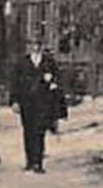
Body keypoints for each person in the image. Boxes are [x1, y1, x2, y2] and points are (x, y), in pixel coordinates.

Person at [11, 41, 65, 173]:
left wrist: (51, 82)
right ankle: (29, 161)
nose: (35, 47)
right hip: (26, 101)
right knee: (28, 131)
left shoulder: (49, 62)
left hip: (43, 102)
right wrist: (14, 101)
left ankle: (38, 162)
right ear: (29, 47)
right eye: (32, 45)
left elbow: (57, 79)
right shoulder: (21, 62)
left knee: (40, 131)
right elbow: (15, 83)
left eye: (38, 45)